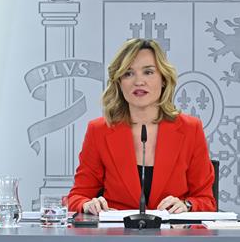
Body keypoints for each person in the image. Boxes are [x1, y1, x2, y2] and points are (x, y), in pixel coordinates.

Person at [67, 38, 216, 214]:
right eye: (128, 74)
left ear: (163, 79)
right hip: (117, 237)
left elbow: (206, 200)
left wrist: (187, 205)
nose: (138, 81)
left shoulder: (191, 129)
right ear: (119, 82)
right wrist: (87, 205)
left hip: (174, 238)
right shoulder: (99, 130)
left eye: (148, 72)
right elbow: (77, 196)